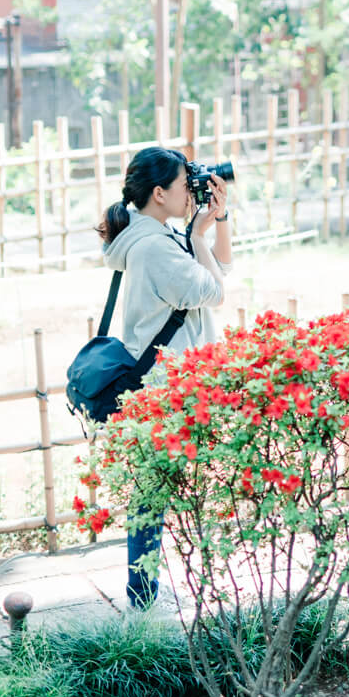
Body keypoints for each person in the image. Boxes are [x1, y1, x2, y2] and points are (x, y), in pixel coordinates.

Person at [96, 146, 232, 608]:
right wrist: (198, 237)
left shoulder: (157, 234)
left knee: (158, 491)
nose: (189, 192)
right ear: (159, 193)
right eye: (182, 185)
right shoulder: (155, 245)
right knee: (154, 495)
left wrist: (219, 221)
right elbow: (214, 292)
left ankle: (150, 590)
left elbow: (221, 268)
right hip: (165, 384)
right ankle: (143, 597)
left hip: (167, 380)